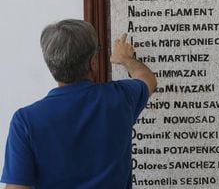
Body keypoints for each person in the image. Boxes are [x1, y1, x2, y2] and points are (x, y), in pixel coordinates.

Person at [0, 19, 157, 189]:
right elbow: (147, 78)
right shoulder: (120, 98)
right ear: (93, 62)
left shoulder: (25, 121)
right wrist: (125, 59)